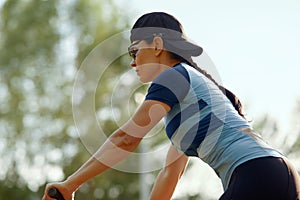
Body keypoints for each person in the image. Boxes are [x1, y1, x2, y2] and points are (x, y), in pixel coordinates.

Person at [43, 12, 300, 200]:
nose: (132, 63)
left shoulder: (174, 76)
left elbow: (125, 139)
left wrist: (70, 185)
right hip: (277, 175)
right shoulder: (187, 103)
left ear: (156, 45)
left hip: (256, 175)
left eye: (134, 51)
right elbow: (170, 174)